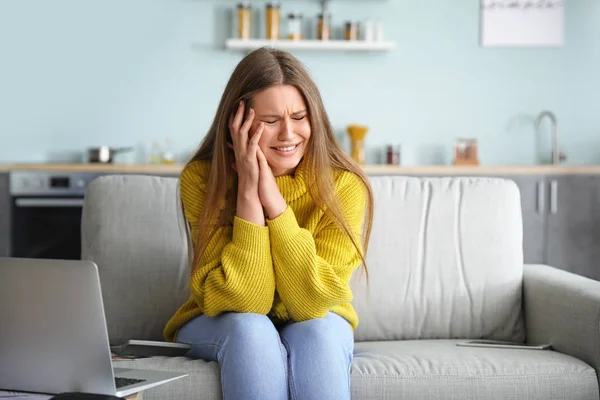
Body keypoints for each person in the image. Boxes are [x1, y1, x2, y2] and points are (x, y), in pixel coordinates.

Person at [163, 47, 374, 400]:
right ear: (238, 125)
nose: (289, 134)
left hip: (319, 316)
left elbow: (312, 302)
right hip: (223, 318)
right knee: (252, 330)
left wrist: (273, 201)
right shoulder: (202, 179)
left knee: (319, 333)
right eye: (271, 121)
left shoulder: (345, 186)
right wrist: (248, 191)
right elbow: (246, 300)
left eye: (300, 117)